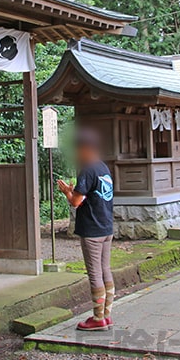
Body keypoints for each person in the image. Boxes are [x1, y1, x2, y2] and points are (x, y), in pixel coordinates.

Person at [58, 128, 115, 331]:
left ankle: (98, 318)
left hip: (92, 229)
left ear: (84, 148)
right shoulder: (103, 168)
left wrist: (67, 191)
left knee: (94, 273)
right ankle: (106, 316)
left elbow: (76, 201)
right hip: (106, 226)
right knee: (105, 270)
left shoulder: (88, 169)